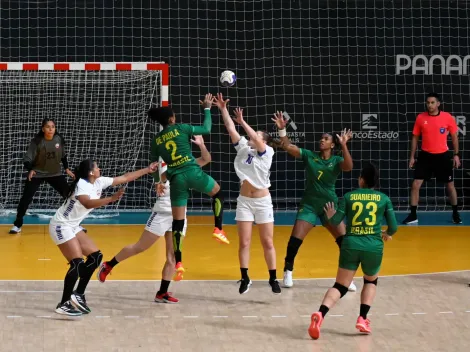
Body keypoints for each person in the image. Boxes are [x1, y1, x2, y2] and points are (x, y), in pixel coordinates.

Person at [96, 135, 212, 300]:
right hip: (163, 212)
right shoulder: (164, 161)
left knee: (172, 256)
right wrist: (159, 181)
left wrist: (201, 145)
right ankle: (108, 265)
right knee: (140, 247)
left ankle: (162, 292)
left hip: (179, 216)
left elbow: (206, 158)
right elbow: (161, 176)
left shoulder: (189, 164)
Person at [50, 159, 158, 316]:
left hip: (73, 226)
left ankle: (78, 294)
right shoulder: (82, 184)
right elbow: (87, 203)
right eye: (96, 167)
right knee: (77, 263)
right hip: (61, 225)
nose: (99, 168)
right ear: (91, 172)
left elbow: (125, 177)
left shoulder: (99, 182)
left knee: (96, 257)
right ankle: (64, 303)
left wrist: (147, 170)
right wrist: (111, 199)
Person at [308, 163, 398, 339]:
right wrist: (386, 234)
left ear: (361, 180)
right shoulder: (384, 199)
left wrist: (331, 214)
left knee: (340, 286)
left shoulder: (349, 196)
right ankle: (363, 318)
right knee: (371, 281)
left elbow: (335, 222)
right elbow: (394, 227)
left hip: (351, 244)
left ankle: (321, 314)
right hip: (373, 245)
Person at [272, 112, 356, 291]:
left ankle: (346, 278)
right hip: (309, 204)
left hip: (329, 206)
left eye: (325, 139)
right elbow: (287, 146)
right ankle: (288, 270)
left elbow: (349, 167)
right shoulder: (310, 156)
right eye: (321, 139)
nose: (322, 141)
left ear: (332, 144)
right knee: (295, 239)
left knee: (344, 242)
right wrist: (282, 129)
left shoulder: (337, 160)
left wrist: (344, 146)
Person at [148, 94, 229, 279]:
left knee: (178, 223)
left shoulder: (156, 141)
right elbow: (207, 128)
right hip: (193, 172)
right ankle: (218, 229)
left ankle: (179, 262)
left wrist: (158, 182)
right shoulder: (182, 128)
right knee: (218, 193)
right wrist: (208, 108)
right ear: (171, 119)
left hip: (176, 180)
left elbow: (153, 166)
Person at [214, 94, 280, 294]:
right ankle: (245, 277)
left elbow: (255, 140)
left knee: (267, 242)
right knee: (244, 242)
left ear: (264, 141)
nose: (253, 137)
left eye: (258, 135)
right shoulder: (243, 148)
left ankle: (273, 278)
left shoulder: (267, 152)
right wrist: (223, 109)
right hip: (244, 201)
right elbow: (230, 128)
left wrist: (242, 121)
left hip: (262, 202)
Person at [402, 92, 462, 225]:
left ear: (438, 104)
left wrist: (456, 155)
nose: (430, 105)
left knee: (450, 186)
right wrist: (412, 156)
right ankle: (413, 215)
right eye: (428, 102)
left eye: (432, 102)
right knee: (415, 185)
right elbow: (415, 138)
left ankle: (455, 213)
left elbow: (454, 137)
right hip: (425, 156)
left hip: (443, 156)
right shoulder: (420, 118)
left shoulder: (447, 117)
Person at [10, 117, 76, 234]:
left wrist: (66, 168)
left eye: (53, 127)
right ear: (43, 129)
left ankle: (74, 224)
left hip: (55, 173)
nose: (51, 129)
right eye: (48, 127)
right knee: (26, 199)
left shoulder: (59, 139)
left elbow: (63, 156)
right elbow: (27, 159)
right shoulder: (37, 142)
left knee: (70, 196)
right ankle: (17, 224)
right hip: (37, 173)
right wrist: (30, 170)